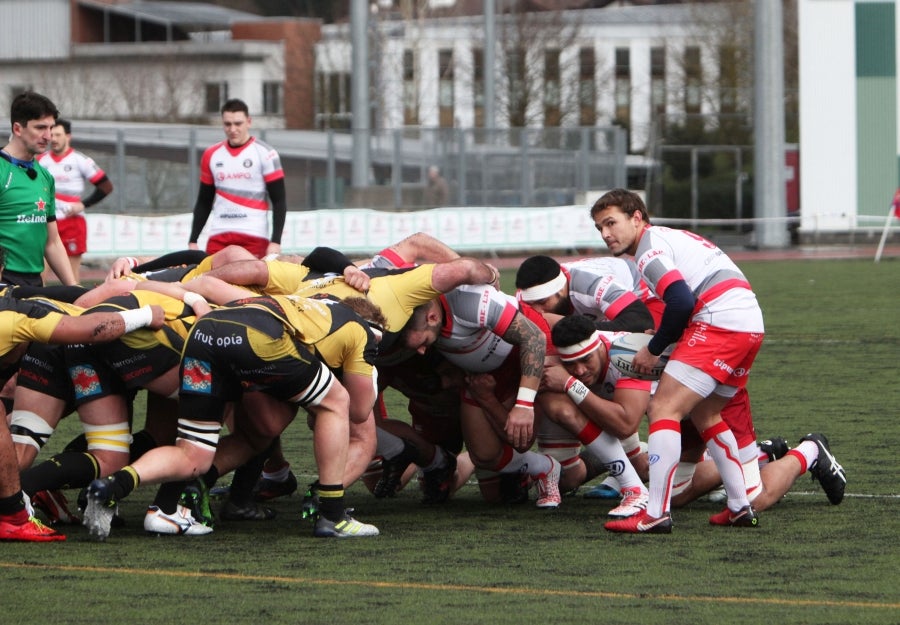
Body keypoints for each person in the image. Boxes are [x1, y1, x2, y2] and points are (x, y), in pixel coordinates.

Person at [592, 188, 764, 534]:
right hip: (749, 323)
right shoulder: (668, 238)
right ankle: (740, 506)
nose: (606, 234)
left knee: (662, 409)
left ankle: (655, 513)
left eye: (611, 223)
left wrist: (654, 348)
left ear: (637, 217)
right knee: (706, 413)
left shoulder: (649, 249)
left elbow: (681, 302)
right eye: (599, 228)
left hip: (720, 321)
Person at [0, 291, 164, 541]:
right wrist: (149, 313)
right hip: (84, 340)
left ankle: (25, 492)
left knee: (18, 453)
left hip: (55, 341)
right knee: (115, 455)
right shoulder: (16, 313)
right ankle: (22, 502)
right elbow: (90, 322)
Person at [188, 98, 286, 259]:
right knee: (209, 281)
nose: (233, 129)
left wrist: (275, 241)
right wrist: (193, 239)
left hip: (254, 235)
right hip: (219, 235)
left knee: (248, 282)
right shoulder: (211, 154)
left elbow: (279, 201)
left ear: (249, 122)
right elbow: (204, 201)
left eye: (238, 124)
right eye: (227, 124)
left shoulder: (266, 154)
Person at [0, 91, 77, 288]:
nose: (48, 136)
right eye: (40, 128)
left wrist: (74, 289)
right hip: (5, 280)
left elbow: (52, 242)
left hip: (34, 281)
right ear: (18, 128)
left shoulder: (45, 177)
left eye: (51, 128)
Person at [37, 119, 113, 283]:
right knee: (39, 273)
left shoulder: (80, 160)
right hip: (46, 221)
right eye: (52, 134)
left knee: (71, 276)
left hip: (72, 223)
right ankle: (37, 304)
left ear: (68, 137)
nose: (54, 139)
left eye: (58, 134)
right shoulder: (40, 161)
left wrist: (83, 204)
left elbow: (106, 187)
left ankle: (75, 306)